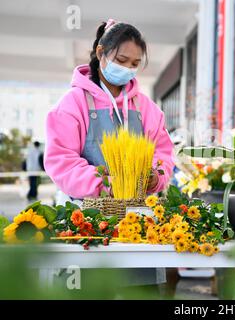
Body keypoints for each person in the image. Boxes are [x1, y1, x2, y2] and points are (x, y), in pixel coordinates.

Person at [44, 19, 175, 293]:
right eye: (121, 59)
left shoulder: (147, 108)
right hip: (87, 223)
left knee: (142, 293)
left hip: (139, 225)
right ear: (101, 52)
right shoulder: (72, 104)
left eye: (134, 63)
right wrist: (105, 183)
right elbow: (61, 161)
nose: (127, 69)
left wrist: (155, 177)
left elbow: (163, 155)